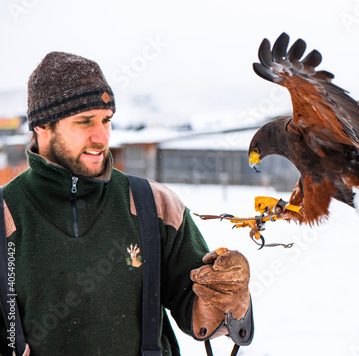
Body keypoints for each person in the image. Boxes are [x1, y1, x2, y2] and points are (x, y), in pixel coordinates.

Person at [0, 52, 252, 356]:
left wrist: (227, 298)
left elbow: (200, 310)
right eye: (84, 122)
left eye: (106, 120)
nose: (102, 137)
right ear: (41, 126)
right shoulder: (5, 215)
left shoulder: (154, 206)